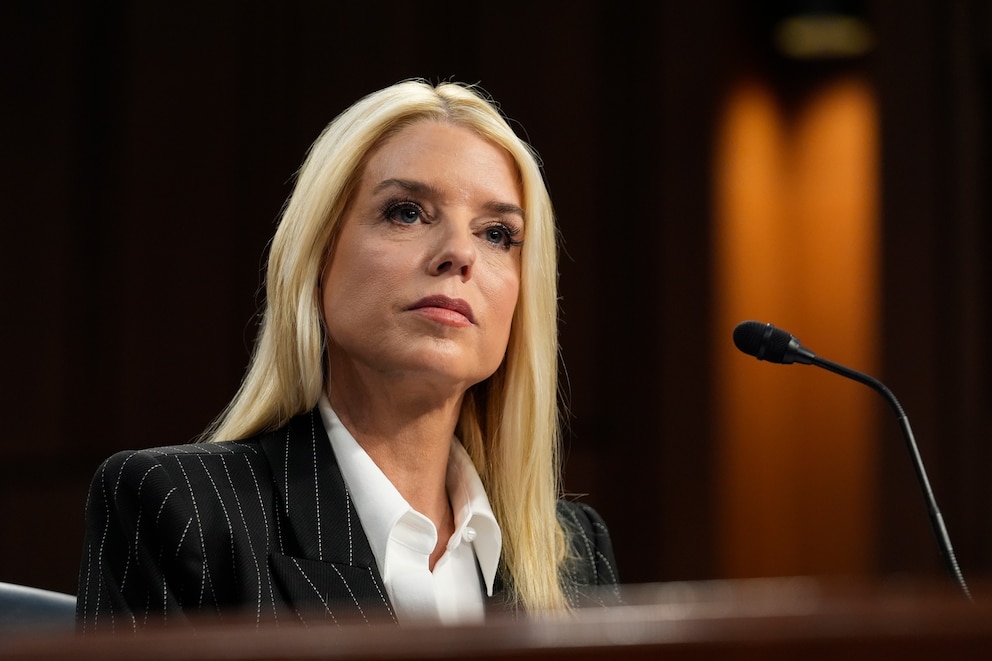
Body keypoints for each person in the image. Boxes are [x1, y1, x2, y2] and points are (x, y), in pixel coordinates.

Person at [76, 79, 620, 632]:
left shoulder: (574, 554)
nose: (459, 254)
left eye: (498, 234)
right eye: (407, 213)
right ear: (316, 260)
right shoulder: (182, 510)